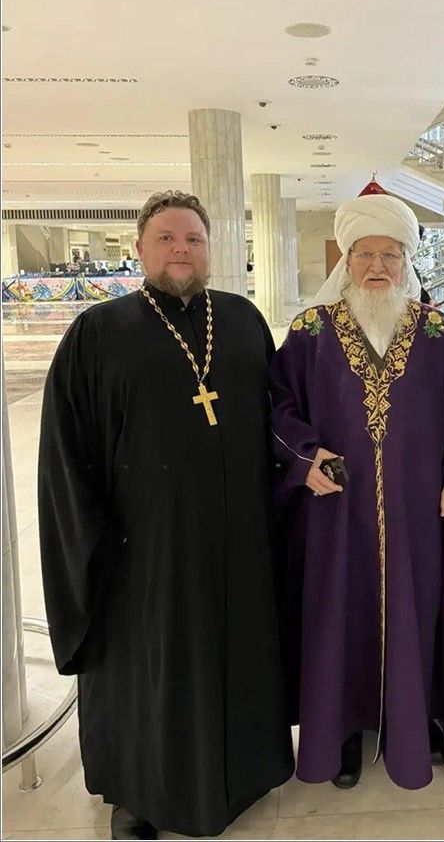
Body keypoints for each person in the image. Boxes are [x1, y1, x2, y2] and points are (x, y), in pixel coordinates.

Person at [38, 190, 294, 840]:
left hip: (240, 540)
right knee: (147, 669)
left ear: (211, 249)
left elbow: (282, 421)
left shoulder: (242, 320)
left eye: (193, 240)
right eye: (167, 239)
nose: (181, 250)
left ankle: (243, 771)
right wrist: (91, 544)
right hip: (142, 550)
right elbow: (66, 452)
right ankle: (137, 793)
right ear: (140, 248)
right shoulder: (98, 332)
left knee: (235, 653)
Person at [270, 193, 444, 792]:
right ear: (346, 260)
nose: (377, 266)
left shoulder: (437, 332)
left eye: (391, 255)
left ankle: (417, 717)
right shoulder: (310, 331)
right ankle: (339, 730)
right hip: (337, 512)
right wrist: (305, 456)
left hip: (417, 511)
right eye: (365, 254)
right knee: (339, 614)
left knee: (420, 607)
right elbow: (277, 407)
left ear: (407, 261)